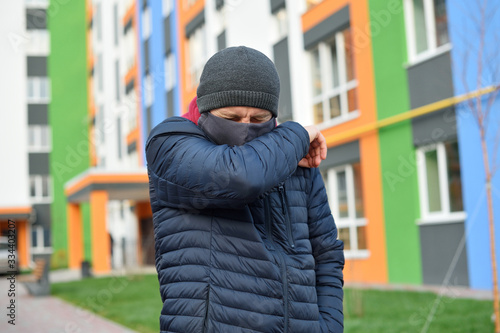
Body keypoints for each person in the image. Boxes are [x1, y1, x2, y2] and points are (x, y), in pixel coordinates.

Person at [146, 46, 344, 333]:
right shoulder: (170, 142)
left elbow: (326, 253)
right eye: (232, 117)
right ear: (205, 108)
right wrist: (300, 133)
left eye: (258, 120)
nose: (245, 129)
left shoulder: (294, 160)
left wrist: (328, 326)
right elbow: (241, 178)